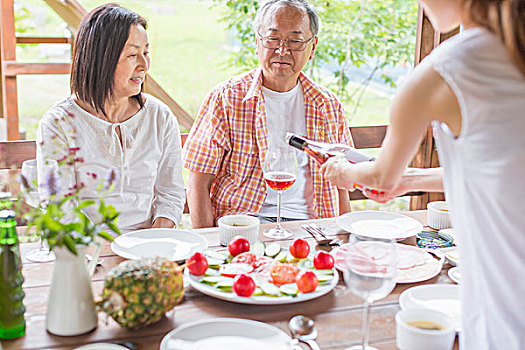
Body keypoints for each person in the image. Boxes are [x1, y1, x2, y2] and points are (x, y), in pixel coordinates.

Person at [321, 0, 525, 348]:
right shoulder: (513, 49)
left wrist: (345, 171)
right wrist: (412, 180)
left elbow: (382, 176)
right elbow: (493, 168)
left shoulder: (445, 70)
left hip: (504, 287)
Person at [183, 0, 353, 228]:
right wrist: (209, 243)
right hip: (243, 225)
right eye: (273, 39)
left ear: (312, 47)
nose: (282, 50)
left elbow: (341, 182)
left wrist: (344, 235)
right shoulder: (226, 98)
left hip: (313, 226)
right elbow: (198, 182)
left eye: (295, 41)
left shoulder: (328, 105)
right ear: (257, 41)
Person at [37, 4, 185, 233]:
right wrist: (106, 251)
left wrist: (154, 240)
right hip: (87, 252)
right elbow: (61, 209)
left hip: (150, 245)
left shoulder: (160, 116)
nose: (144, 65)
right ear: (101, 59)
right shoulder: (59, 124)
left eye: (146, 53)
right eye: (132, 55)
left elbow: (171, 193)